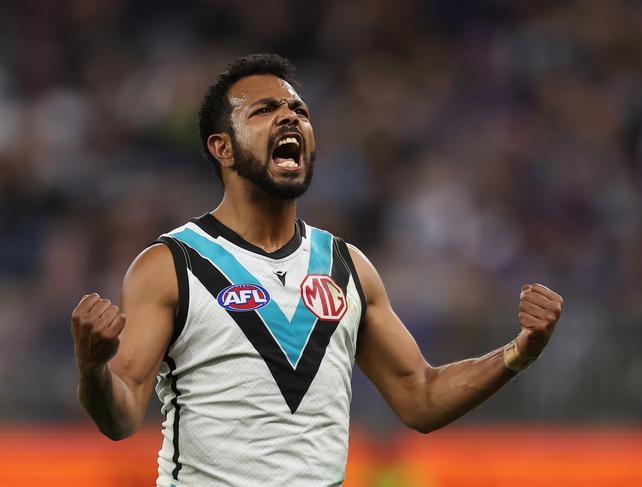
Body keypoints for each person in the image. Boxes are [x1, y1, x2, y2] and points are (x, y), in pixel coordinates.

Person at [71, 54, 564, 486]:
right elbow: (122, 414)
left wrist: (520, 352)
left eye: (299, 111)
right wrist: (93, 368)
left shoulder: (347, 267)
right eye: (265, 110)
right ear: (222, 148)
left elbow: (422, 396)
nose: (290, 117)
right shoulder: (171, 265)